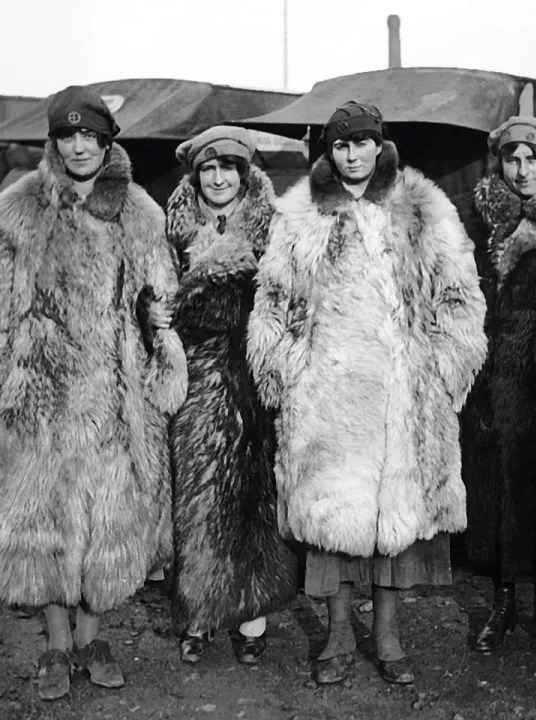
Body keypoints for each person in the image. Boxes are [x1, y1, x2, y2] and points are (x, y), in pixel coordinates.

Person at [247, 101, 487, 685]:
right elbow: (274, 303)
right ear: (327, 151)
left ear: (381, 146)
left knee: (394, 522)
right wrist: (289, 379)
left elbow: (458, 296)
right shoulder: (300, 213)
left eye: (362, 143)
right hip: (327, 398)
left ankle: (387, 636)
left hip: (402, 398)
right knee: (332, 522)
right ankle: (335, 639)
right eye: (341, 145)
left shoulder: (423, 207)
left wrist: (443, 376)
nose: (352, 155)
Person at [0, 85, 187, 700]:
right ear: (52, 141)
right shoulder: (19, 208)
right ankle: (55, 646)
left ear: (108, 142)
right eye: (67, 135)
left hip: (113, 395)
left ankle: (92, 637)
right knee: (44, 522)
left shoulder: (139, 210)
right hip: (40, 399)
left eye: (91, 136)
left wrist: (154, 317)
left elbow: (158, 291)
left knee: (107, 521)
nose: (79, 146)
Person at [166, 126, 298, 666]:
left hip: (253, 380)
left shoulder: (275, 227)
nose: (218, 179)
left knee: (252, 498)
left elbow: (291, 299)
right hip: (194, 383)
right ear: (194, 175)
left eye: (229, 169)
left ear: (245, 176)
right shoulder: (170, 230)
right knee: (195, 499)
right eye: (208, 169)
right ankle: (197, 616)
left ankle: (251, 615)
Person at [462, 117, 536, 664]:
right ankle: (502, 600)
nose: (523, 169)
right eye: (513, 158)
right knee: (495, 489)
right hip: (488, 377)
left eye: (534, 158)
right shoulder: (475, 220)